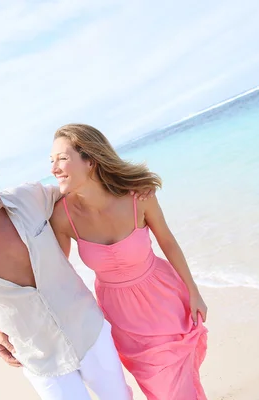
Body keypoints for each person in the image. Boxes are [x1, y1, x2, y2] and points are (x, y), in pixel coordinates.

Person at [0, 129, 151, 400]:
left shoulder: (31, 197)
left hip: (89, 331)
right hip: (39, 359)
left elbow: (81, 191)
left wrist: (130, 189)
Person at [50, 124, 208, 400]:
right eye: (51, 161)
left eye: (62, 158)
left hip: (163, 298)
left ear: (90, 160)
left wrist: (193, 291)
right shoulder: (62, 217)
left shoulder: (138, 196)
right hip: (118, 312)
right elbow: (60, 273)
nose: (54, 168)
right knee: (158, 385)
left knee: (173, 381)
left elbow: (167, 242)